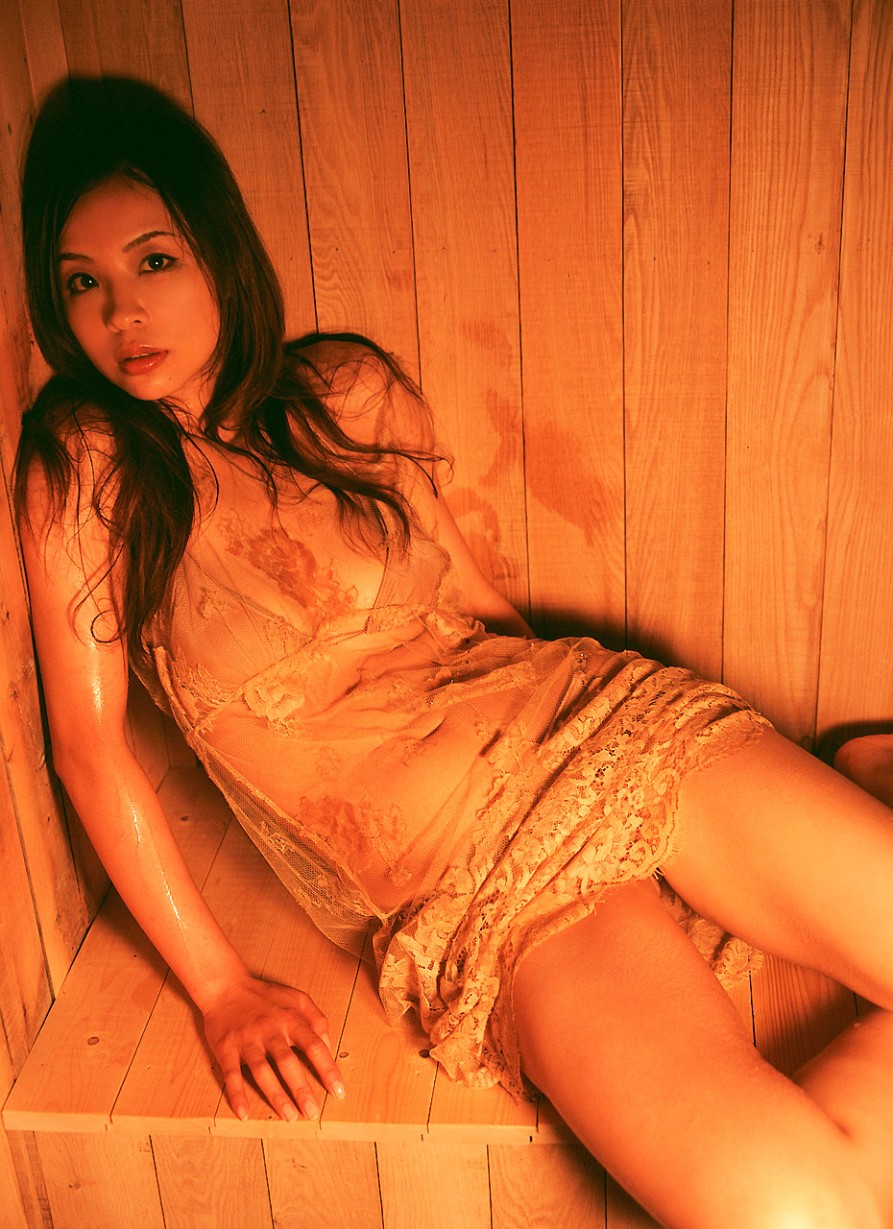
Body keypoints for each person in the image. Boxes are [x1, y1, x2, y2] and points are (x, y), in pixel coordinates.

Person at [14, 76, 893, 1229]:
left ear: (220, 252)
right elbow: (88, 752)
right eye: (81, 283)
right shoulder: (88, 466)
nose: (120, 312)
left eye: (153, 260)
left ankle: (841, 794)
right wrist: (221, 988)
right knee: (796, 1212)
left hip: (599, 733)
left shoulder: (342, 390)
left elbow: (476, 603)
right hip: (475, 889)